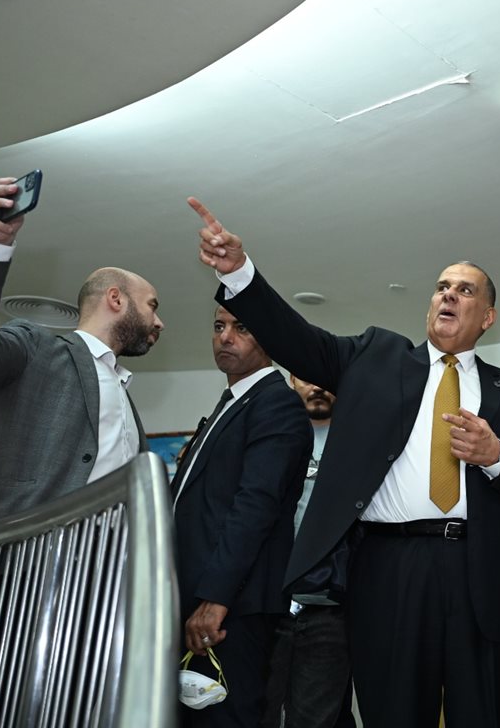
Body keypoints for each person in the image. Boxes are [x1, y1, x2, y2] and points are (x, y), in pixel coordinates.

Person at [187, 198, 500, 728]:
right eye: (442, 287)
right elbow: (296, 339)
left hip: (480, 567)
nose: (448, 294)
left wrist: (496, 456)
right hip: (389, 564)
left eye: (465, 290)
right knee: (394, 709)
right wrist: (240, 274)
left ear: (489, 316)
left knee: (486, 710)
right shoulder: (376, 357)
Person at [0, 177, 163, 520]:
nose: (159, 323)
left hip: (110, 550)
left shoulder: (122, 390)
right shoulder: (34, 346)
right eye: (152, 306)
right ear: (116, 299)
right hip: (26, 543)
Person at [172, 306, 312, 727]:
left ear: (268, 338)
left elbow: (256, 506)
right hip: (199, 599)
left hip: (232, 607)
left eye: (242, 327)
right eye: (219, 326)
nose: (225, 337)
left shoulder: (276, 402)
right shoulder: (232, 403)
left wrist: (215, 600)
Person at [261, 376, 354, 728]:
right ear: (291, 380)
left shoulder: (358, 442)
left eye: (324, 377)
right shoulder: (273, 435)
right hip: (269, 601)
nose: (317, 386)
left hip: (330, 605)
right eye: (305, 377)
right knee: (257, 713)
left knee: (316, 720)